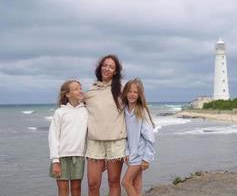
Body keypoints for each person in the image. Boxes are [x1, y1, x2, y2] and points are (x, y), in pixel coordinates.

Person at [84, 54, 126, 196]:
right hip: (94, 143)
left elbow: (135, 111)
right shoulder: (90, 92)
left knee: (114, 182)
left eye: (111, 66)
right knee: (92, 184)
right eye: (105, 65)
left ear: (115, 71)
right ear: (100, 68)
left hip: (116, 142)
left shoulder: (122, 90)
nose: (107, 68)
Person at [48, 80, 88, 196]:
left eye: (80, 88)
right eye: (75, 89)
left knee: (76, 189)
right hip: (61, 157)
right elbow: (53, 136)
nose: (79, 91)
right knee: (63, 190)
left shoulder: (85, 111)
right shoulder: (60, 112)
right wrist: (55, 160)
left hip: (79, 156)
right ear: (67, 94)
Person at [121, 78, 156, 196]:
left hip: (140, 154)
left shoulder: (141, 112)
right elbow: (125, 135)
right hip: (131, 154)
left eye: (135, 92)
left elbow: (150, 138)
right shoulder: (124, 111)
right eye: (129, 91)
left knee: (125, 182)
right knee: (136, 185)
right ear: (125, 92)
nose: (132, 94)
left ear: (139, 94)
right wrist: (126, 151)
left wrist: (147, 158)